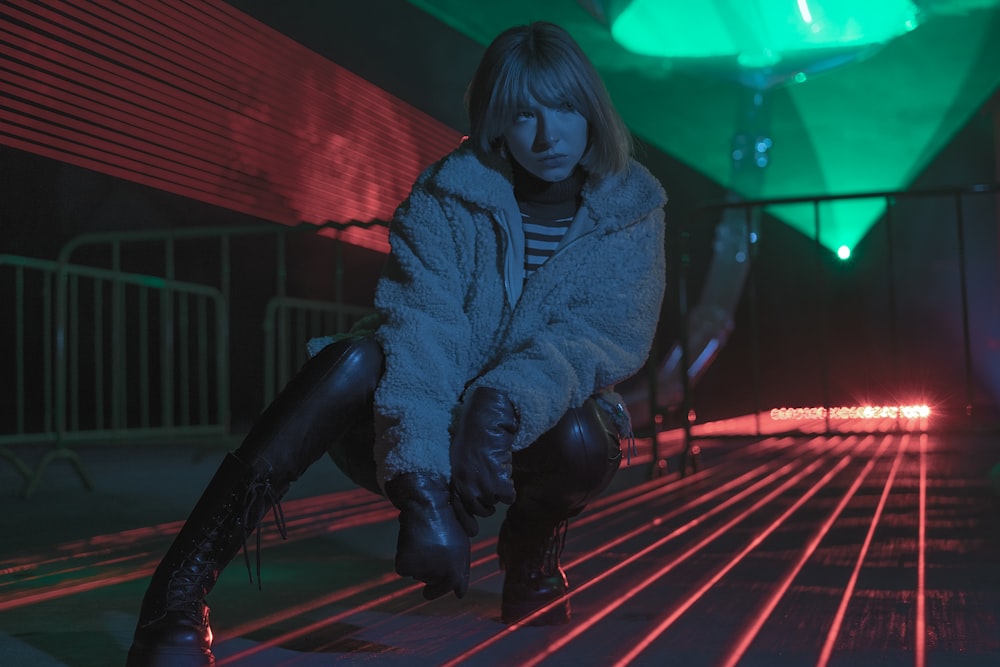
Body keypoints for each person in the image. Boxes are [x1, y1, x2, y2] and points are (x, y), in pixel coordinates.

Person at [126, 20, 666, 666]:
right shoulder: (445, 196)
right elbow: (421, 329)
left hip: (540, 424)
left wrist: (499, 405)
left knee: (581, 433)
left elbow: (599, 337)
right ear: (495, 120)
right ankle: (179, 589)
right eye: (525, 114)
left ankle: (532, 544)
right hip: (421, 414)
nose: (549, 135)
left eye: (566, 109)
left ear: (592, 113)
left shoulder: (630, 210)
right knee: (352, 358)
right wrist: (422, 489)